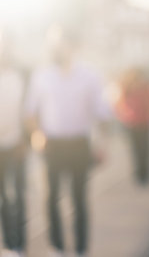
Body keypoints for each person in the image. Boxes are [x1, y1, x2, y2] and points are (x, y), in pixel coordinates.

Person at [24, 24, 111, 257]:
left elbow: (101, 113)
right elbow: (31, 113)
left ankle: (81, 249)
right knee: (50, 198)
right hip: (51, 144)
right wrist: (37, 134)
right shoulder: (42, 75)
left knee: (79, 198)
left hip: (79, 144)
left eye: (61, 43)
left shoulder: (89, 75)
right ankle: (57, 248)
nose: (57, 48)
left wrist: (102, 143)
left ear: (73, 45)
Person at [0, 31, 27, 257]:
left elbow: (29, 110)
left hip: (16, 145)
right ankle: (8, 243)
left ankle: (17, 244)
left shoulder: (22, 74)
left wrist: (26, 140)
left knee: (16, 196)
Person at [114, 67, 149, 185]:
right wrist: (123, 115)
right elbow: (119, 104)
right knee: (136, 149)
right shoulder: (126, 88)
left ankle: (145, 173)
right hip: (132, 123)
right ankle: (139, 173)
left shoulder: (146, 87)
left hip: (145, 122)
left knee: (146, 149)